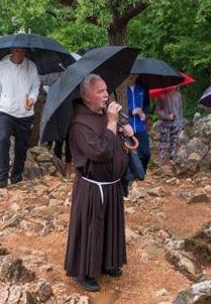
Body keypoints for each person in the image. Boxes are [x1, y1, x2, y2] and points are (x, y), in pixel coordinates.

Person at [65, 74, 133, 292]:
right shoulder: (79, 124)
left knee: (110, 224)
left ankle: (108, 262)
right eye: (100, 91)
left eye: (106, 90)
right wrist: (113, 123)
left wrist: (124, 128)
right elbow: (101, 152)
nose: (106, 95)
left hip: (111, 183)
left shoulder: (104, 114)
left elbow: (114, 137)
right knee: (92, 228)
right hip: (93, 187)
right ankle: (85, 272)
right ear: (87, 96)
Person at [0, 47, 40, 188]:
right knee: (2, 139)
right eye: (17, 50)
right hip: (5, 111)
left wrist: (32, 98)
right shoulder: (0, 67)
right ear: (12, 50)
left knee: (21, 146)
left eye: (23, 51)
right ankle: (2, 177)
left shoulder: (31, 66)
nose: (20, 53)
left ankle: (16, 176)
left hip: (25, 113)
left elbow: (36, 86)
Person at [126, 74, 150, 169]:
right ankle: (130, 178)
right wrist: (131, 112)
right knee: (129, 154)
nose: (131, 76)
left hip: (140, 127)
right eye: (130, 73)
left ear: (137, 75)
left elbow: (146, 105)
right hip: (127, 126)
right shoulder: (122, 89)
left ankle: (140, 174)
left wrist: (144, 114)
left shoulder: (143, 88)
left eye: (134, 74)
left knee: (145, 153)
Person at [155, 87, 182, 162]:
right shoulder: (162, 95)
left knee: (174, 140)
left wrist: (180, 122)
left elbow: (180, 109)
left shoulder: (178, 95)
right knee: (163, 141)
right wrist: (166, 116)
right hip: (165, 123)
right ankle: (161, 158)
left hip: (176, 122)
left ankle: (172, 157)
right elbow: (158, 110)